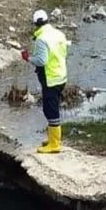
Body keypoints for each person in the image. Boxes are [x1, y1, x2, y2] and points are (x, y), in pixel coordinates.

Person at [21, 10, 69, 154]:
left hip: (50, 78)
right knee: (53, 107)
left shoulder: (42, 39)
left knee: (50, 110)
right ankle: (53, 139)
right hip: (61, 75)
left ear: (35, 24)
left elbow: (41, 61)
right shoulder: (59, 34)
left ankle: (54, 144)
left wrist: (28, 58)